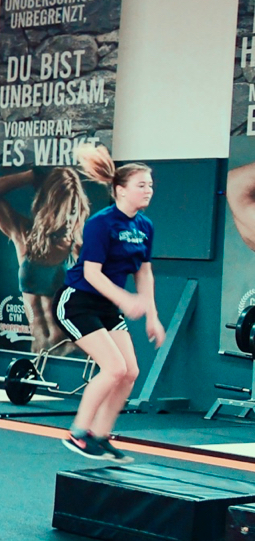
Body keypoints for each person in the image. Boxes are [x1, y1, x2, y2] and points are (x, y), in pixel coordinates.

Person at [56, 145, 163, 461]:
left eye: (150, 185)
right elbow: (91, 272)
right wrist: (124, 298)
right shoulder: (102, 223)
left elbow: (144, 273)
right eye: (141, 185)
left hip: (106, 307)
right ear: (120, 191)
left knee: (130, 371)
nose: (148, 190)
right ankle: (78, 433)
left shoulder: (144, 226)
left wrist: (152, 316)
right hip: (79, 301)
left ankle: (100, 436)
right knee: (114, 368)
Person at [0, 167, 91, 354]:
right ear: (49, 208)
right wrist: (30, 176)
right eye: (62, 210)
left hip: (71, 348)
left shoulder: (79, 246)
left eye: (73, 210)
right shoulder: (25, 236)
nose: (69, 219)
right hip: (37, 350)